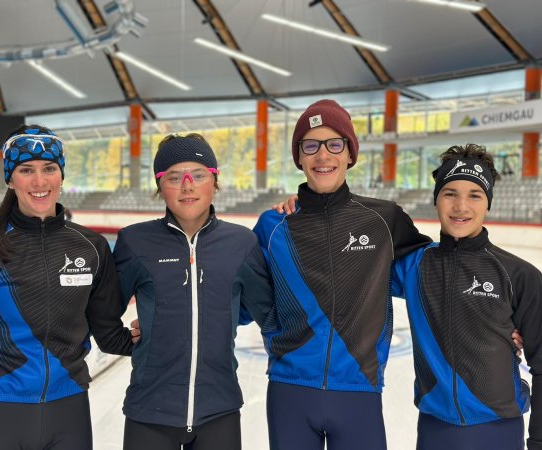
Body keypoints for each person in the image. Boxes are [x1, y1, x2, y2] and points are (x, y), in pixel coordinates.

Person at [252, 99, 432, 450]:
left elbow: (435, 275)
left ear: (350, 153)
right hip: (290, 390)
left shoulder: (384, 220)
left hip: (359, 389)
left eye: (335, 144)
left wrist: (502, 319)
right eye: (310, 146)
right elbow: (241, 297)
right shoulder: (272, 226)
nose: (323, 155)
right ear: (299, 157)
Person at [0, 125, 134, 450]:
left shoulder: (92, 248)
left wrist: (156, 334)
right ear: (10, 179)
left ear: (61, 175)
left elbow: (108, 333)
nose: (39, 181)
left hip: (69, 416)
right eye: (26, 170)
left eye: (49, 168)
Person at [113, 133, 276, 450]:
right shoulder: (135, 242)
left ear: (215, 181)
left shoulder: (241, 244)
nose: (187, 186)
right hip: (149, 410)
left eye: (198, 175)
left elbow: (270, 314)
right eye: (174, 177)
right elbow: (102, 312)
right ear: (160, 186)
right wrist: (127, 342)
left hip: (219, 409)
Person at [391, 144, 542, 450]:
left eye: (475, 195)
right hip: (434, 430)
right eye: (450, 193)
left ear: (488, 203)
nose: (461, 206)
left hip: (498, 430)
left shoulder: (519, 275)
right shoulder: (414, 266)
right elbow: (351, 266)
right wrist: (306, 207)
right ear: (436, 199)